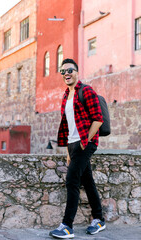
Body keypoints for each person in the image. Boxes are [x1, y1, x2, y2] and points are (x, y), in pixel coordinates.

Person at [49, 58, 106, 239]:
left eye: (70, 70)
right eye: (63, 71)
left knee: (72, 180)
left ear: (77, 72)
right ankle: (99, 219)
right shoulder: (66, 95)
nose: (66, 74)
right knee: (87, 181)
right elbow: (67, 126)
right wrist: (67, 150)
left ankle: (67, 226)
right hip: (73, 144)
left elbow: (98, 119)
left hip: (86, 143)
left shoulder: (86, 91)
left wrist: (85, 141)